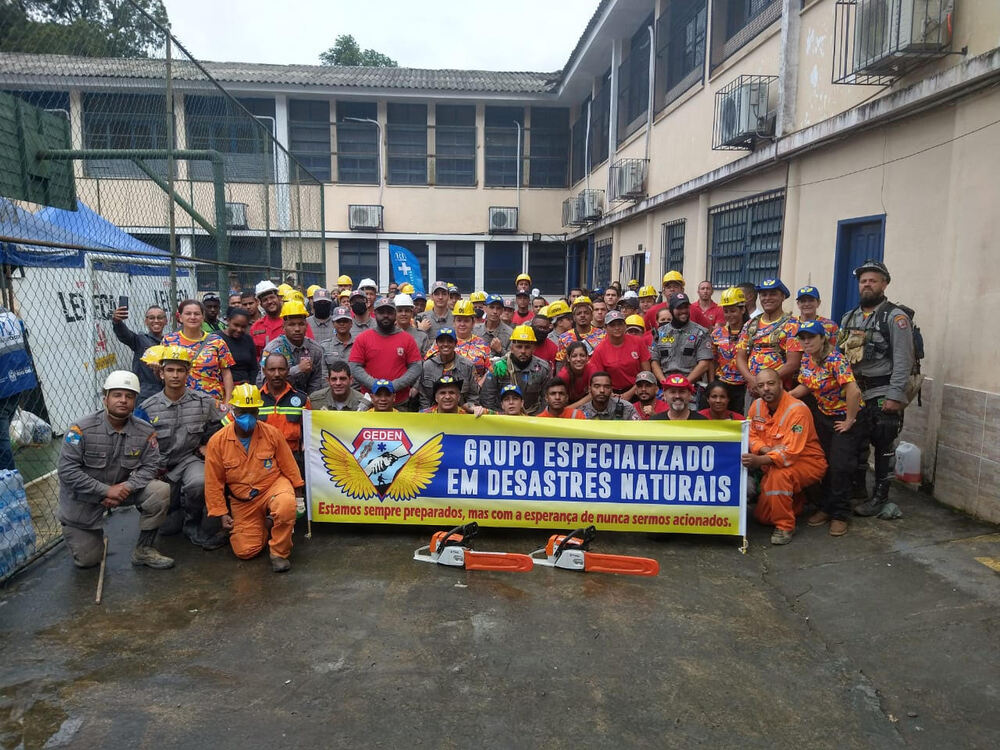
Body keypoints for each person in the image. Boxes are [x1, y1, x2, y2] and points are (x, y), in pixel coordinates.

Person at [57, 370, 173, 569]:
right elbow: (67, 471)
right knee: (89, 561)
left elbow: (151, 465)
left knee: (160, 491)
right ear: (105, 398)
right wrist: (106, 490)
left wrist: (127, 487)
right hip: (85, 499)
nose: (123, 400)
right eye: (117, 395)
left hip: (123, 491)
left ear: (135, 401)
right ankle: (88, 537)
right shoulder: (80, 429)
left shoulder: (145, 431)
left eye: (129, 396)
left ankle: (144, 550)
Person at [838, 259, 915, 517]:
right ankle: (857, 490)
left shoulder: (895, 317)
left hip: (883, 391)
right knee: (856, 444)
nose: (867, 284)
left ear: (884, 283)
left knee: (883, 444)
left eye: (873, 280)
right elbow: (840, 356)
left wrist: (896, 396)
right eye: (863, 280)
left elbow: (904, 360)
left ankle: (880, 498)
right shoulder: (850, 317)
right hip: (855, 393)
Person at [204, 383, 303, 573]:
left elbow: (289, 466)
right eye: (243, 411)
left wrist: (298, 495)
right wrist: (221, 513)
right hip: (243, 500)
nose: (248, 416)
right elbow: (213, 481)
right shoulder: (217, 442)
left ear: (258, 411)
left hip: (272, 486)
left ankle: (279, 553)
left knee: (285, 505)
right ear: (233, 410)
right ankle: (265, 525)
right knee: (246, 551)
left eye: (252, 411)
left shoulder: (272, 433)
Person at [140, 346, 225, 549]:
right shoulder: (147, 408)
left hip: (189, 461)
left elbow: (225, 427)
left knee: (199, 482)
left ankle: (192, 523)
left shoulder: (204, 402)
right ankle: (174, 507)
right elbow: (138, 446)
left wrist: (208, 445)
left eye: (180, 370)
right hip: (159, 469)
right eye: (170, 370)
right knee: (168, 529)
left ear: (188, 373)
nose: (175, 375)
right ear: (161, 373)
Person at [790, 320, 864, 536]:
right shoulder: (807, 360)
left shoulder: (835, 359)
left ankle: (840, 514)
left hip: (844, 417)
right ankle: (826, 507)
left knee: (840, 466)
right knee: (823, 464)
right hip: (824, 416)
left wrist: (850, 420)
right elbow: (806, 385)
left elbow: (854, 391)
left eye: (811, 337)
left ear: (822, 338)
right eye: (803, 338)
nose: (806, 341)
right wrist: (783, 397)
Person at [742, 368, 827, 545]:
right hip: (773, 461)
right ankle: (797, 500)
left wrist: (760, 460)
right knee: (763, 518)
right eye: (761, 385)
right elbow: (751, 435)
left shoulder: (797, 410)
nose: (766, 388)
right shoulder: (756, 406)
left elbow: (790, 452)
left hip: (807, 461)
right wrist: (765, 450)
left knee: (779, 477)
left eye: (770, 383)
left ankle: (785, 526)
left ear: (781, 384)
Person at [349, 297, 423, 409]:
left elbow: (416, 367)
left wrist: (394, 386)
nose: (385, 315)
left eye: (389, 312)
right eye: (381, 312)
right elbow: (354, 367)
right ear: (374, 313)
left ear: (395, 314)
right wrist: (375, 385)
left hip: (400, 402)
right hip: (370, 402)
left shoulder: (407, 339)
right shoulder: (363, 338)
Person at [735, 279, 802, 397]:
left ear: (783, 296)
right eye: (764, 294)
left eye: (773, 294)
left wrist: (765, 382)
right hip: (753, 389)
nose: (767, 298)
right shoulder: (750, 324)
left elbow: (793, 363)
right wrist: (751, 380)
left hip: (780, 389)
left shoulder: (793, 325)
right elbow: (740, 357)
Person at [161, 299, 235, 405]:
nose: (192, 317)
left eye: (197, 314)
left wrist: (228, 402)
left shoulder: (217, 341)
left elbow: (226, 374)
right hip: (179, 402)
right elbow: (162, 371)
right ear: (180, 317)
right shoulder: (169, 341)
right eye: (188, 313)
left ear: (203, 317)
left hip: (212, 403)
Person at [479, 325, 551, 415]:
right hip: (502, 417)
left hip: (532, 417)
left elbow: (547, 398)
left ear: (533, 348)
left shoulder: (543, 368)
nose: (523, 351)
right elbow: (487, 399)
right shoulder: (498, 366)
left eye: (527, 347)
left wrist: (538, 417)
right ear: (512, 348)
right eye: (519, 347)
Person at [0, 304, 38, 471]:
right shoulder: (10, 317)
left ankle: (7, 474)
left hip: (3, 384)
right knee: (3, 431)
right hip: (17, 380)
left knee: (1, 439)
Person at [649, 293, 713, 392]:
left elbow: (704, 363)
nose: (683, 311)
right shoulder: (660, 333)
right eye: (679, 308)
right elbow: (654, 361)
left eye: (686, 307)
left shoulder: (701, 333)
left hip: (690, 387)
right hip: (665, 387)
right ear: (671, 310)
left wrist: (684, 384)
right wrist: (665, 383)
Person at [259, 301, 324, 395]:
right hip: (277, 398)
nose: (297, 329)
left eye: (301, 324)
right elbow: (264, 380)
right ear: (283, 327)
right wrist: (298, 369)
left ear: (306, 326)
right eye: (292, 325)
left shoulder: (315, 349)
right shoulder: (271, 349)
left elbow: (316, 382)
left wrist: (311, 401)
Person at [588, 310, 651, 399]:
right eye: (612, 325)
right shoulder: (599, 350)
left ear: (625, 326)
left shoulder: (638, 342)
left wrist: (630, 393)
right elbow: (599, 379)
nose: (617, 328)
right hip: (611, 394)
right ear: (605, 328)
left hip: (638, 389)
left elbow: (647, 372)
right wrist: (611, 394)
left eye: (620, 324)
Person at [112, 303, 167, 403]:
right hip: (145, 395)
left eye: (160, 317)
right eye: (151, 318)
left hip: (168, 392)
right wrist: (117, 322)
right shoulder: (140, 340)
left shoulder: (171, 342)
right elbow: (125, 335)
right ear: (146, 321)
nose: (156, 321)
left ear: (166, 321)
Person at [425, 300, 490, 380]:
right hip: (446, 389)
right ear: (454, 322)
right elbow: (428, 365)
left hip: (474, 390)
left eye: (466, 321)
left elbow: (489, 371)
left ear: (473, 323)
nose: (462, 324)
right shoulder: (443, 342)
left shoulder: (482, 344)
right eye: (459, 320)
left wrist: (480, 385)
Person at [419, 328, 478, 411]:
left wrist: (469, 412)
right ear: (437, 344)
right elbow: (424, 397)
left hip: (461, 414)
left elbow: (473, 396)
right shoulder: (427, 366)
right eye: (441, 341)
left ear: (455, 343)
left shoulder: (467, 365)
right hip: (434, 415)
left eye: (450, 341)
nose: (445, 344)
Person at [711, 287, 750, 409]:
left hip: (744, 386)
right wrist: (713, 383)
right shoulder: (717, 334)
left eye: (733, 311)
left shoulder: (751, 332)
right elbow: (712, 361)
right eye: (726, 311)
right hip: (722, 385)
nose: (729, 315)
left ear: (743, 309)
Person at [251, 280, 310, 358]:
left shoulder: (296, 321)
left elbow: (309, 347)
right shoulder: (256, 327)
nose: (269, 301)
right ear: (261, 304)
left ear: (279, 298)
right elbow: (254, 356)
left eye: (272, 297)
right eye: (265, 300)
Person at [556, 296, 606, 362]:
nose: (582, 315)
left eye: (586, 313)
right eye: (579, 313)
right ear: (574, 317)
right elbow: (560, 363)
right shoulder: (564, 338)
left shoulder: (603, 335)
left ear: (591, 316)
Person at [220, 308, 258, 386]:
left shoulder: (248, 340)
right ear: (228, 321)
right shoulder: (216, 339)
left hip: (245, 388)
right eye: (236, 325)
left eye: (243, 327)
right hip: (223, 387)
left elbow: (253, 368)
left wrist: (252, 386)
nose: (239, 330)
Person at [421, 376, 489, 415]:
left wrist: (483, 412)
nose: (447, 397)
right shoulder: (423, 415)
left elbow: (498, 417)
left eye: (452, 392)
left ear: (459, 397)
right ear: (436, 398)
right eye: (442, 393)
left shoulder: (467, 415)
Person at [556, 341, 596, 409]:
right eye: (574, 356)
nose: (578, 359)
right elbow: (558, 398)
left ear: (587, 357)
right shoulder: (563, 375)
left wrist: (568, 409)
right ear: (568, 358)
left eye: (582, 355)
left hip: (588, 405)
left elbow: (594, 394)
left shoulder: (592, 369)